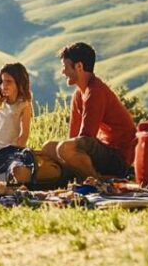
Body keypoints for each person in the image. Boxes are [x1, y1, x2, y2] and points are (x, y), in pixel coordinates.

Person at [50, 42, 137, 180]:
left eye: (65, 67)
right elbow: (73, 136)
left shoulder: (95, 91)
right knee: (49, 147)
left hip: (119, 158)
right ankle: (79, 175)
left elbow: (86, 137)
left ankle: (97, 180)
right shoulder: (79, 95)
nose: (63, 72)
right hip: (101, 151)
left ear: (79, 67)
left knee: (65, 148)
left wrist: (68, 153)